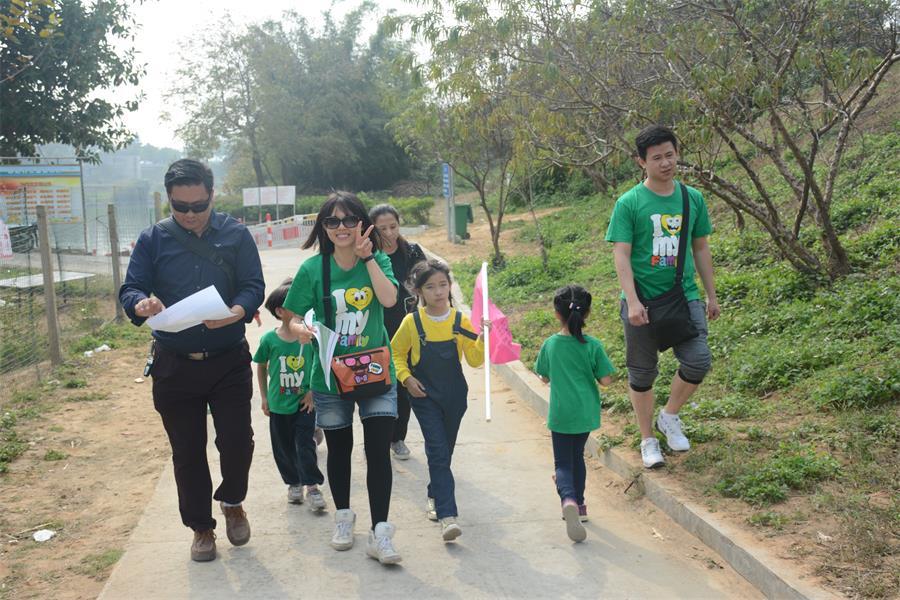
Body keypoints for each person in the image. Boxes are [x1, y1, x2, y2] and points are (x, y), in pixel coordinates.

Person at [119, 159, 265, 562]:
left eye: (197, 205)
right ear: (169, 200)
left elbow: (253, 284)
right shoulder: (153, 240)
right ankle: (201, 527)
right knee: (187, 450)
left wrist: (238, 310)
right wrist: (141, 303)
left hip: (228, 359)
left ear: (212, 196)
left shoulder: (236, 235)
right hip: (174, 363)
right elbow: (131, 288)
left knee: (238, 441)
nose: (188, 214)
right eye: (179, 206)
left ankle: (232, 500)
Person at [283, 191, 402, 565]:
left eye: (349, 219)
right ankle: (344, 518)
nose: (341, 228)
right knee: (339, 450)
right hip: (330, 377)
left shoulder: (378, 259)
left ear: (362, 223)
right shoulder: (312, 269)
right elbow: (290, 315)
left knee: (378, 451)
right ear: (323, 228)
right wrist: (301, 327)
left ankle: (380, 532)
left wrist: (368, 259)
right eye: (332, 221)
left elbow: (388, 300)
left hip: (376, 372)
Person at [605, 125, 720, 469]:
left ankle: (669, 416)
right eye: (657, 158)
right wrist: (633, 300)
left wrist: (710, 295)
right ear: (641, 162)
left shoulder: (691, 198)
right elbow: (621, 254)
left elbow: (700, 248)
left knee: (698, 360)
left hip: (684, 297)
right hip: (643, 302)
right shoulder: (629, 203)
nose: (666, 163)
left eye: (670, 155)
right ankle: (647, 439)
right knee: (642, 373)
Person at [390, 259, 489, 542]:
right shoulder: (412, 322)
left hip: (455, 396)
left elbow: (474, 359)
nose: (438, 291)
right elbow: (395, 353)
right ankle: (448, 516)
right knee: (437, 449)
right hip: (425, 396)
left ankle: (435, 494)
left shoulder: (461, 321)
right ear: (419, 291)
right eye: (431, 287)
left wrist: (483, 337)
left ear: (450, 286)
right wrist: (407, 378)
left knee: (444, 451)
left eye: (443, 285)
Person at [534, 285, 615, 542]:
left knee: (562, 464)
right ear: (588, 313)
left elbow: (544, 377)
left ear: (556, 314)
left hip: (561, 413)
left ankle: (567, 498)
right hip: (585, 413)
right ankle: (579, 506)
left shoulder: (551, 345)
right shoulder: (593, 345)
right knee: (577, 457)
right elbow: (606, 380)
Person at [253, 278, 326, 511]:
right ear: (280, 311)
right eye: (294, 304)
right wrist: (264, 397)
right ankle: (293, 483)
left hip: (304, 404)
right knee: (283, 448)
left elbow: (320, 365)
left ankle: (312, 486)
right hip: (278, 405)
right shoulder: (269, 340)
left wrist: (313, 392)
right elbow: (261, 366)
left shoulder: (310, 337)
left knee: (304, 444)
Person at [369, 204, 426, 461]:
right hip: (378, 328)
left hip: (409, 327)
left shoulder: (412, 252)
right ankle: (378, 438)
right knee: (380, 386)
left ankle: (397, 437)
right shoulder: (370, 256)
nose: (389, 233)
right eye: (382, 229)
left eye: (393, 226)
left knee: (405, 385)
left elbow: (427, 280)